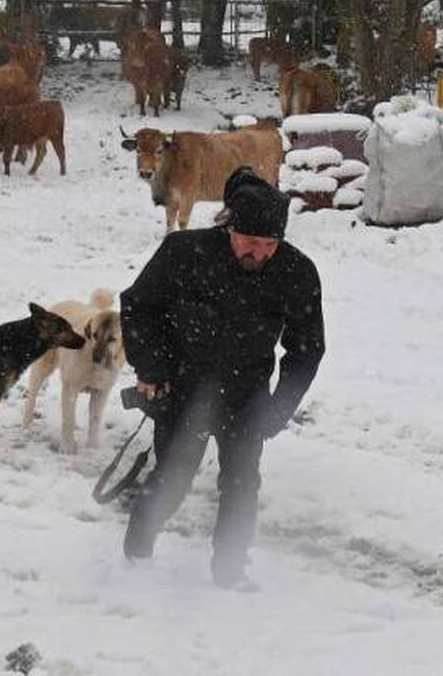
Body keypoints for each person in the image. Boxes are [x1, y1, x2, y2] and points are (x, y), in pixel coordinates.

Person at [118, 166, 326, 589]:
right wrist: (151, 370)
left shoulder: (296, 272)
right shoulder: (184, 253)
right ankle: (137, 551)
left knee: (241, 484)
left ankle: (230, 572)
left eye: (270, 244)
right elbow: (139, 306)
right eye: (250, 242)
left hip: (247, 393)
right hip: (183, 387)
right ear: (230, 227)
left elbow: (307, 349)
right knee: (173, 477)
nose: (259, 253)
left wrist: (280, 406)